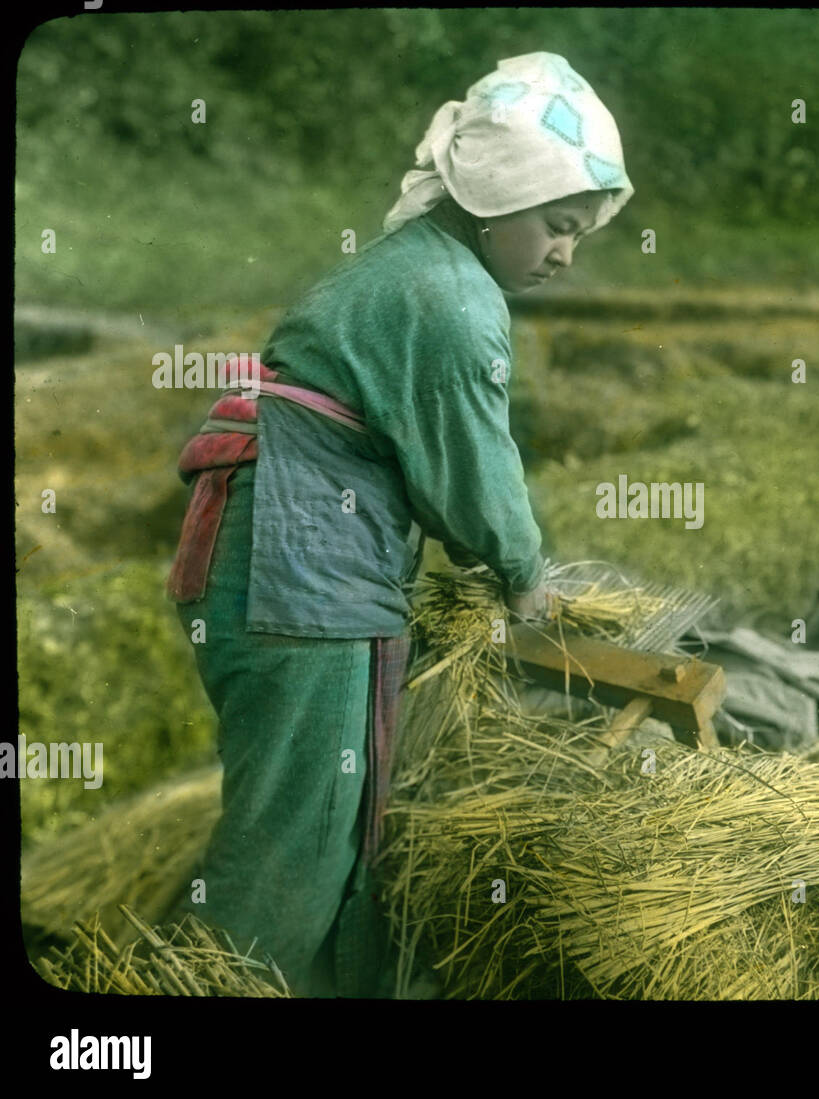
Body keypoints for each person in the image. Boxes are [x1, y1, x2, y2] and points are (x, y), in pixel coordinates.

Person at [165, 52, 633, 995]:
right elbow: (476, 474)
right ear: (500, 197)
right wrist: (526, 575)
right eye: (558, 226)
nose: (565, 254)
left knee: (326, 814)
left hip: (282, 543)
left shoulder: (419, 268)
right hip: (300, 561)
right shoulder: (452, 301)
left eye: (579, 235)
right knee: (294, 838)